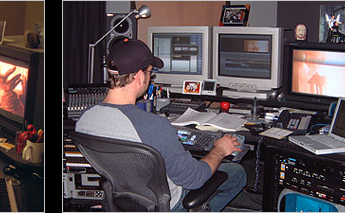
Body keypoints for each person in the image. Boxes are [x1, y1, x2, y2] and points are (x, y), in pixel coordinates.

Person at [75, 38, 246, 212]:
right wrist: (220, 149)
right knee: (237, 173)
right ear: (140, 76)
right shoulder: (154, 125)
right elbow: (193, 179)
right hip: (167, 204)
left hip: (123, 201)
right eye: (150, 72)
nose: (151, 78)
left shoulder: (85, 120)